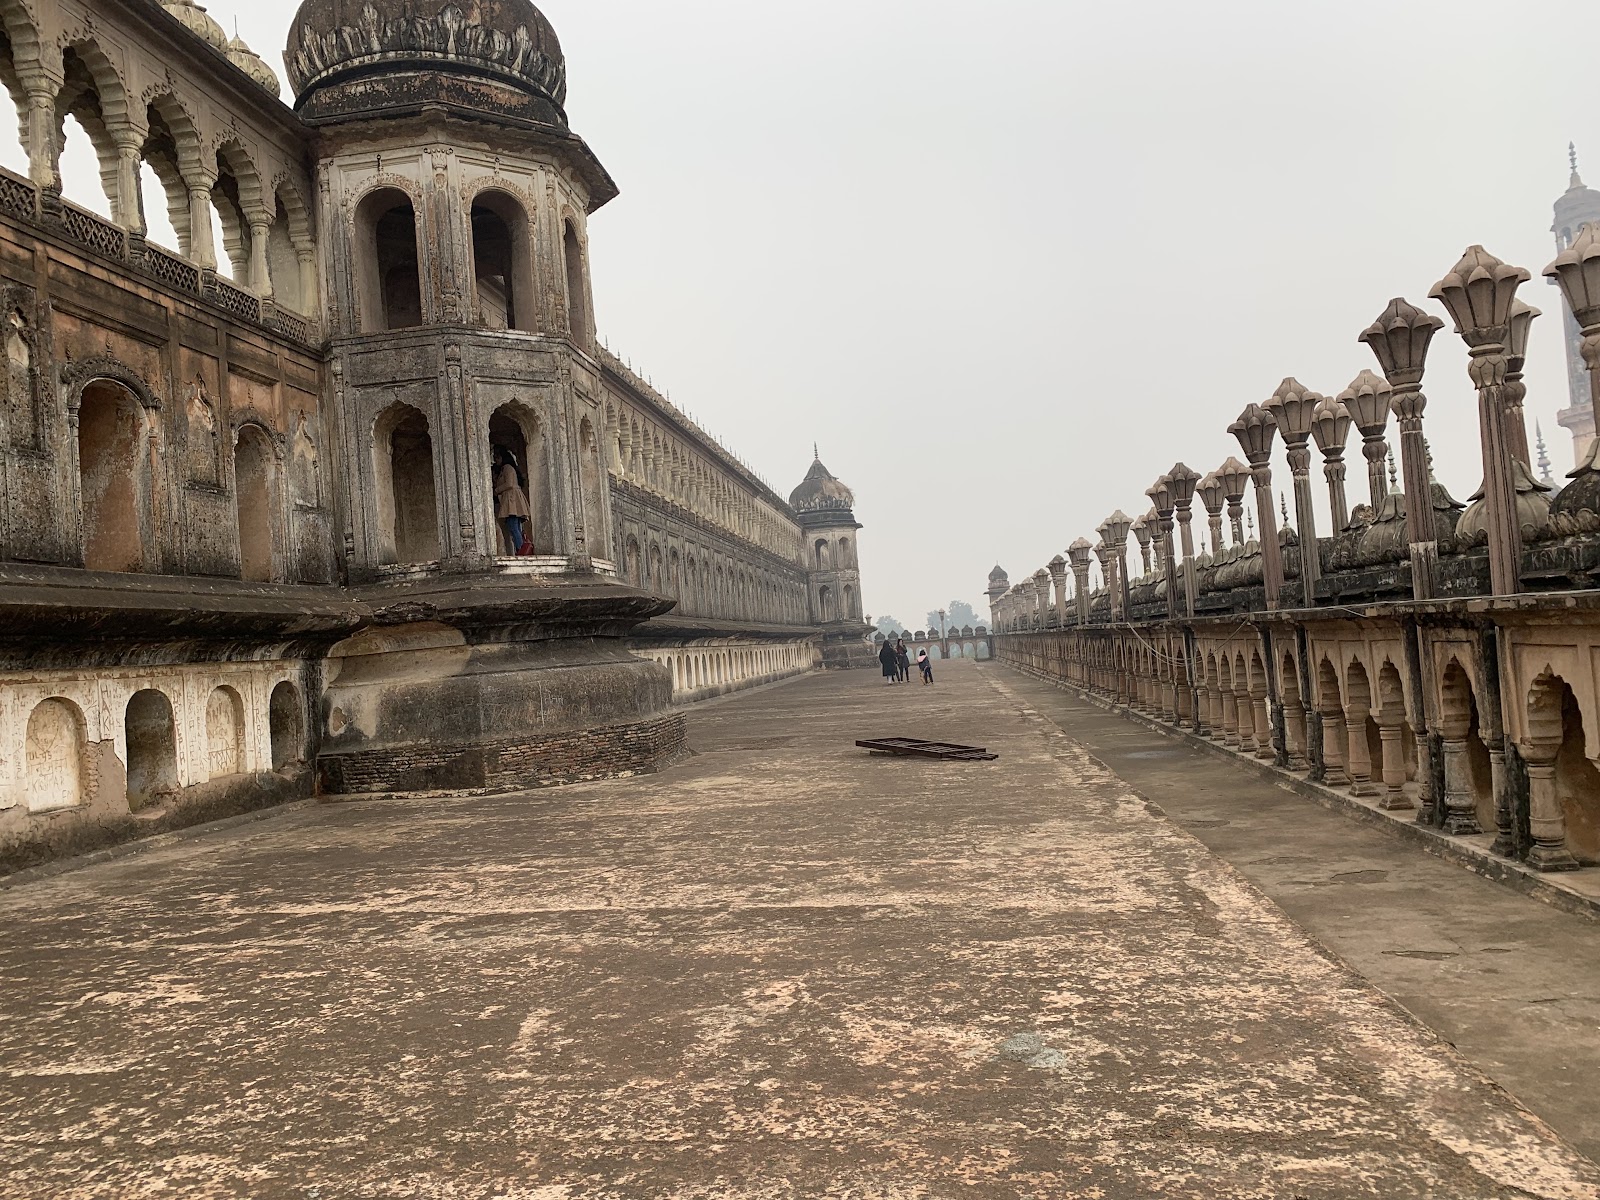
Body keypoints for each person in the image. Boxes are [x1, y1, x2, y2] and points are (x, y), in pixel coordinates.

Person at [492, 446, 534, 556]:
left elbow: (509, 484)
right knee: (514, 527)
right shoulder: (504, 469)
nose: (496, 460)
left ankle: (521, 550)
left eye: (497, 457)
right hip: (510, 500)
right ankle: (520, 550)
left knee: (513, 526)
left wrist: (496, 490)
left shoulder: (507, 468)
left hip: (512, 500)